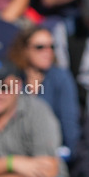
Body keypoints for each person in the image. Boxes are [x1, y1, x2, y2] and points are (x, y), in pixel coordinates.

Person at [8, 24, 80, 160]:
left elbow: (69, 125)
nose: (47, 52)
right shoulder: (12, 79)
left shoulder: (61, 78)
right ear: (24, 50)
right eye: (40, 47)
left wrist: (69, 156)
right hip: (16, 153)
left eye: (51, 47)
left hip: (51, 153)